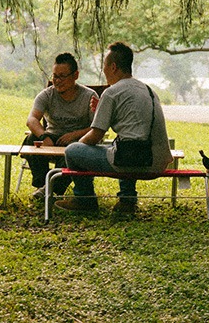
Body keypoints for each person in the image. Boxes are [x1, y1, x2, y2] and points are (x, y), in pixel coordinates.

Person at [60, 42, 172, 215]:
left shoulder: (112, 92)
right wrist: (102, 111)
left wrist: (79, 146)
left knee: (73, 151)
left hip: (133, 161)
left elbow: (95, 136)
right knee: (122, 143)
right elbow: (134, 125)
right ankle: (127, 201)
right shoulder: (149, 90)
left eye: (104, 66)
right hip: (158, 161)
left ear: (113, 67)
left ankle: (84, 199)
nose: (103, 70)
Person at [23, 53, 99, 200]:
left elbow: (97, 126)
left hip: (78, 140)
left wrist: (74, 135)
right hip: (52, 136)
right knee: (31, 139)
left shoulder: (89, 96)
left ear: (75, 75)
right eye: (54, 76)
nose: (57, 81)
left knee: (75, 149)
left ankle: (51, 189)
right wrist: (43, 136)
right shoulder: (46, 95)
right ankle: (43, 185)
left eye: (62, 76)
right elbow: (32, 119)